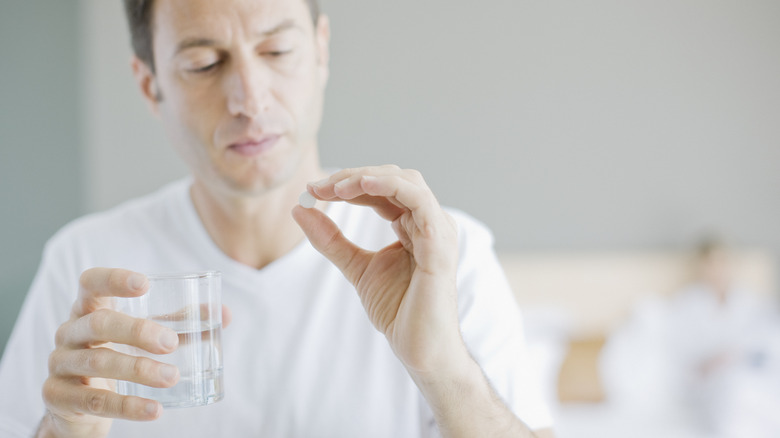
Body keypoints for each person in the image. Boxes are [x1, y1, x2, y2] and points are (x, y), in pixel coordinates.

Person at [0, 0, 554, 436]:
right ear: (150, 85)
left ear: (320, 51)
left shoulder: (441, 255)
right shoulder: (85, 263)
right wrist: (66, 433)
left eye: (278, 52)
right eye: (204, 63)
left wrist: (445, 370)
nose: (249, 98)